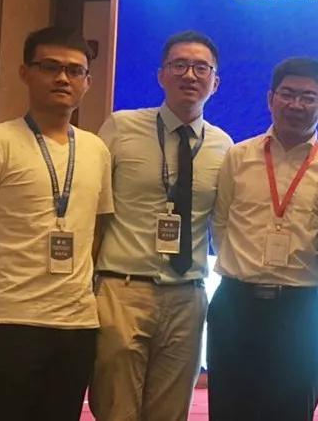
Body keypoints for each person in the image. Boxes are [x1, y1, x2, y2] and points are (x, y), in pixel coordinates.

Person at [0, 26, 113, 421]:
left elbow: (95, 233)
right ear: (25, 73)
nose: (63, 78)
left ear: (87, 82)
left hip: (76, 325)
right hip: (7, 322)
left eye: (75, 70)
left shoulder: (97, 150)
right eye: (50, 67)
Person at [89, 30, 233, 421]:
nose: (190, 75)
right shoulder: (120, 127)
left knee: (170, 413)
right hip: (122, 290)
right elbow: (93, 210)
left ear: (215, 82)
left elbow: (223, 223)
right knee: (116, 409)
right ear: (161, 75)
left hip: (188, 297)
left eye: (201, 68)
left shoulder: (224, 146)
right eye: (179, 65)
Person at [208, 57, 318, 421]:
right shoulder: (238, 156)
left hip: (299, 310)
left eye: (308, 98)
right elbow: (221, 223)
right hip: (236, 306)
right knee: (230, 410)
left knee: (293, 410)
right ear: (270, 99)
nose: (296, 104)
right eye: (287, 94)